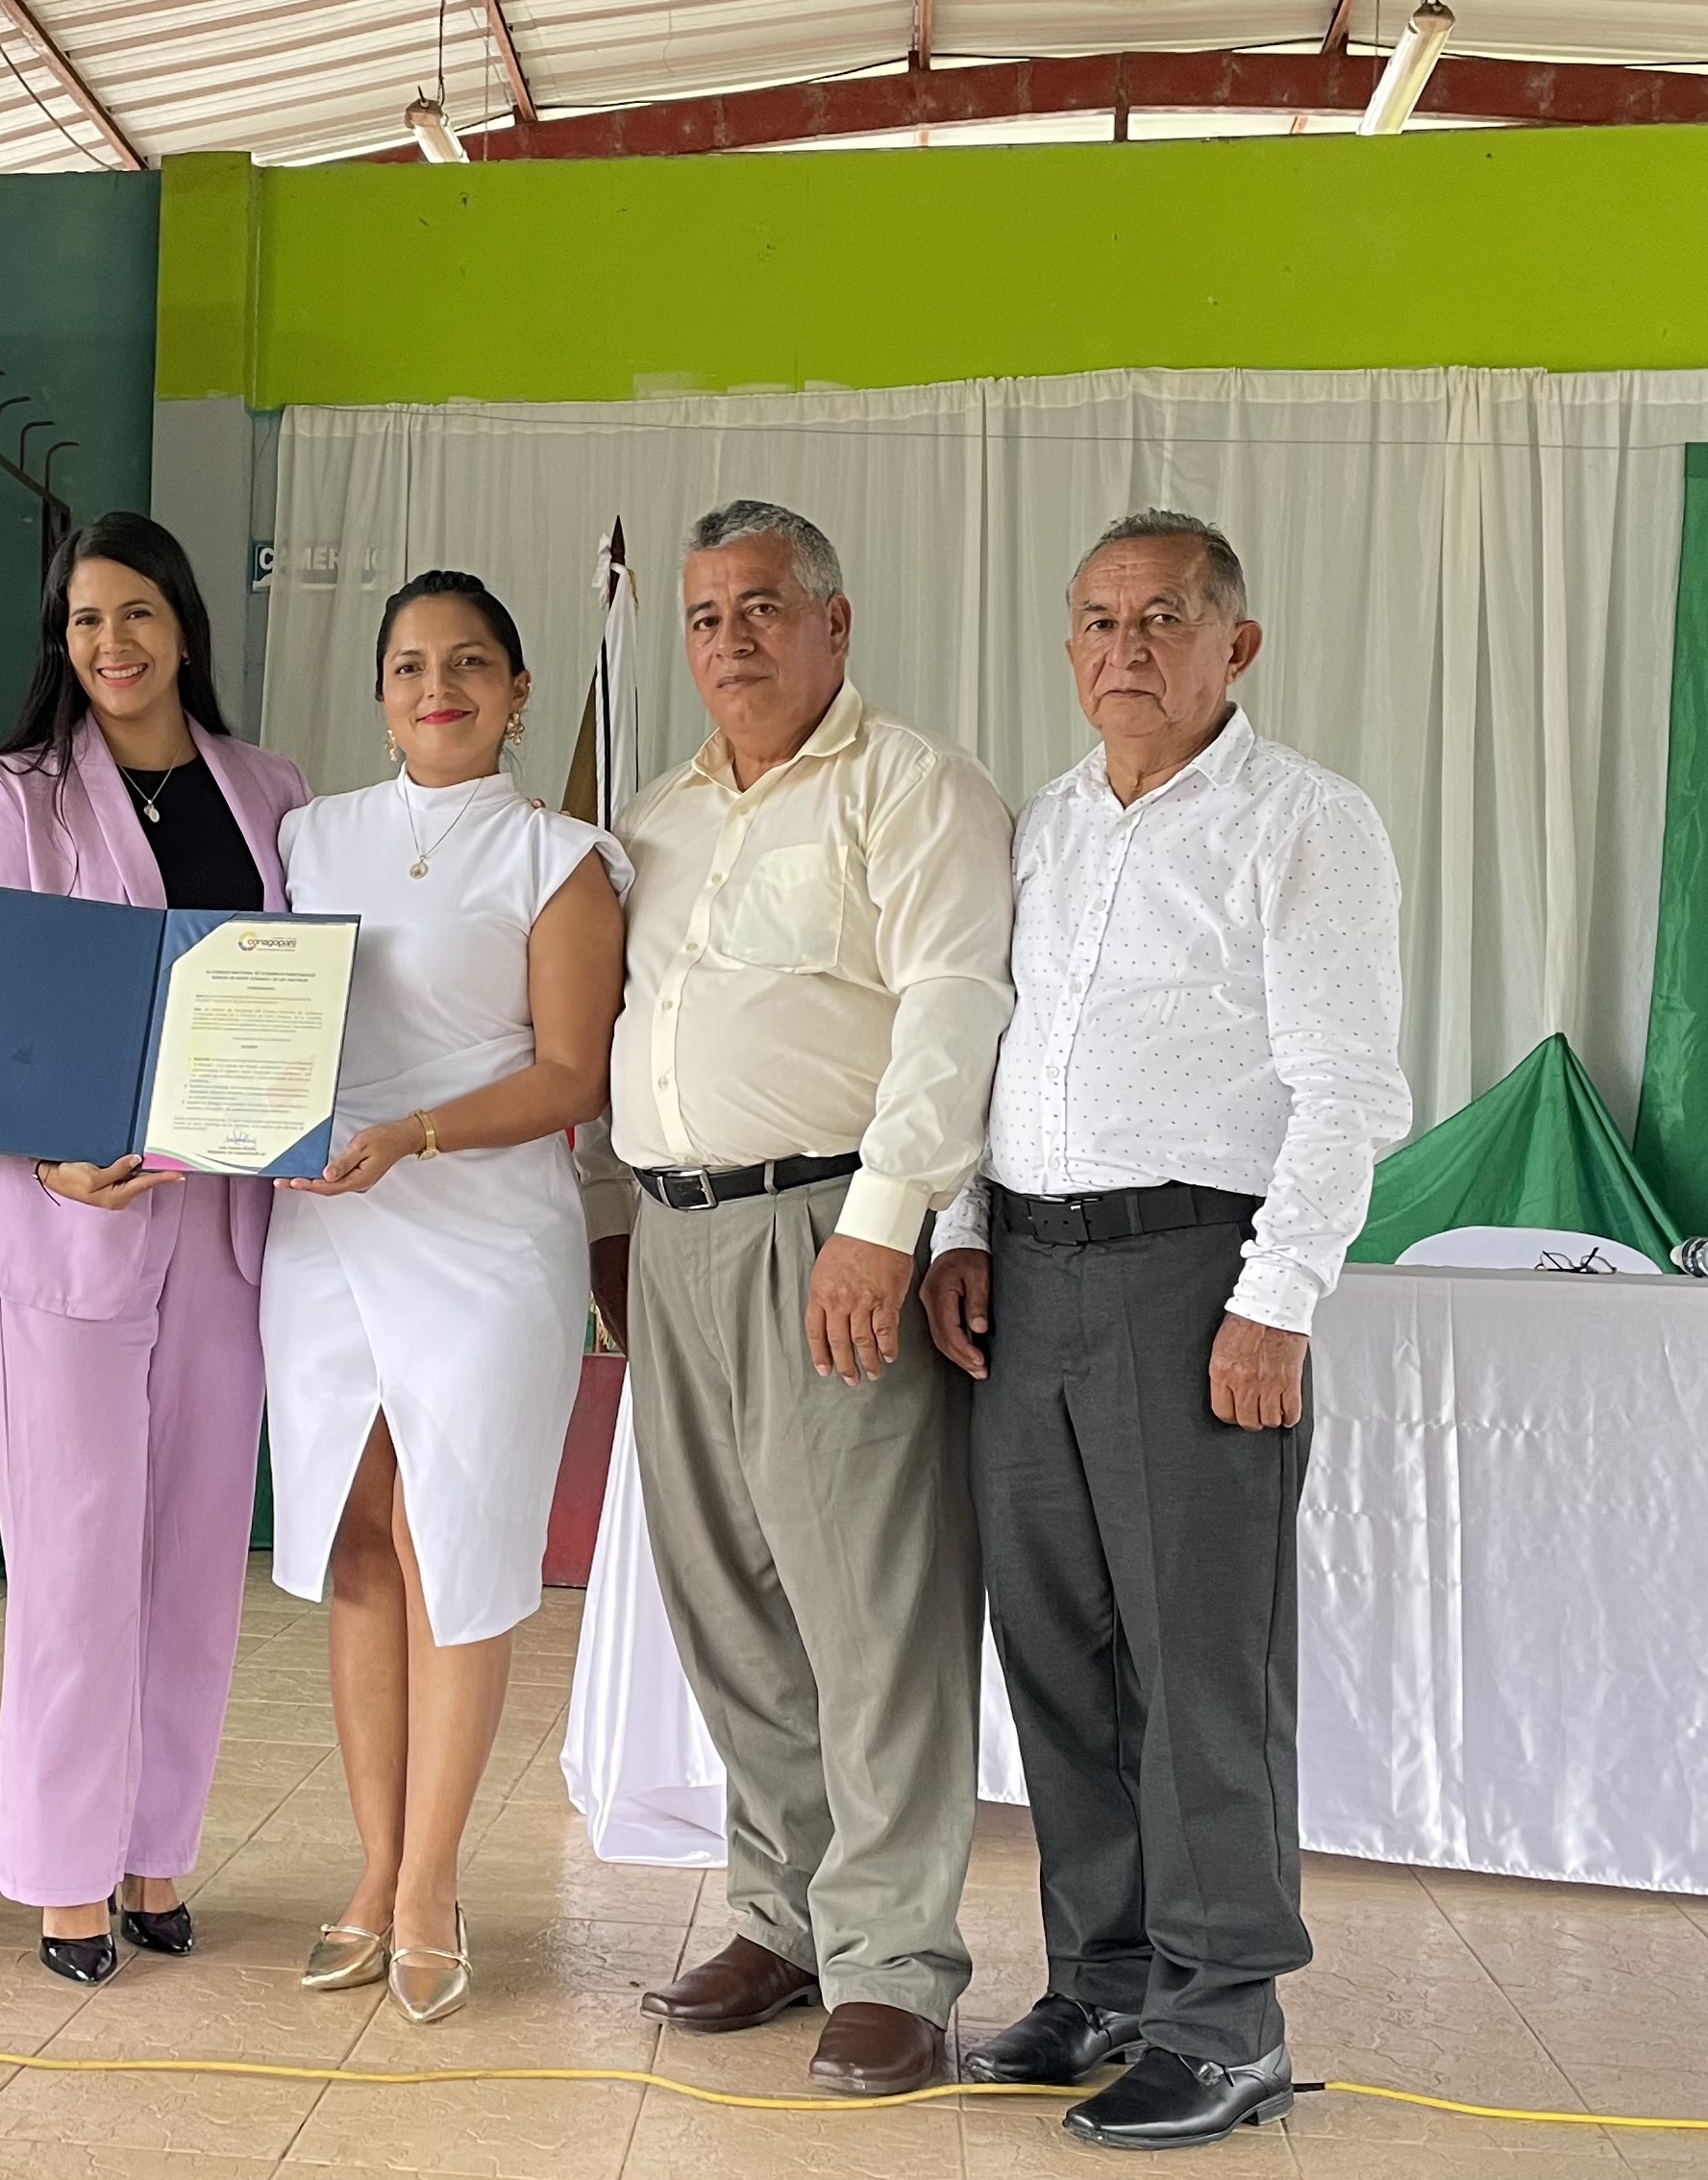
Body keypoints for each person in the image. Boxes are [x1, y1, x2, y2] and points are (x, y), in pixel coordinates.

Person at [917, 511, 1408, 2151]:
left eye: (1163, 619)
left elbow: (1348, 1087)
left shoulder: (1303, 823)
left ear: (1233, 645)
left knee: (1201, 1662)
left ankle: (1225, 2018)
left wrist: (1277, 1297)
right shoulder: (1043, 825)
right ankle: (1105, 1978)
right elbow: (984, 1045)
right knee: (1058, 1649)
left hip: (1197, 1275)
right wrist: (961, 1230)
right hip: (1028, 1275)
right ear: (1069, 645)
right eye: (1098, 620)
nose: (1124, 649)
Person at [591, 500, 1015, 2096]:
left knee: (873, 1611)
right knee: (728, 1602)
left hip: (829, 1228)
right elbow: (619, 1026)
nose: (732, 640)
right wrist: (606, 1223)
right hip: (672, 1238)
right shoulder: (656, 818)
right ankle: (780, 1914)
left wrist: (886, 1225)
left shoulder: (914, 786)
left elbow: (955, 1011)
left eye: (764, 607)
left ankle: (895, 1962)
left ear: (834, 622)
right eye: (706, 616)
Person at [261, 570, 627, 2024]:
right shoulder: (310, 835)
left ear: (519, 692)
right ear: (379, 691)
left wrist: (412, 1134)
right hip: (324, 1230)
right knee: (357, 1533)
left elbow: (572, 1075)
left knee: (450, 1539)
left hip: (482, 1231)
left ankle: (432, 1884)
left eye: (471, 662)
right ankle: (371, 1868)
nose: (440, 687)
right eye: (411, 663)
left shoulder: (561, 857)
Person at [0, 510, 310, 1985]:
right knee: (73, 1560)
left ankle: (159, 1850)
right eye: (87, 620)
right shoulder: (16, 791)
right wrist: (45, 1150)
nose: (114, 643)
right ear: (64, 639)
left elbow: (294, 991)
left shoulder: (269, 789)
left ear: (184, 627)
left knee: (195, 1559)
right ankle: (63, 1875)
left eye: (138, 613)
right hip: (73, 1222)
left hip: (225, 1226)